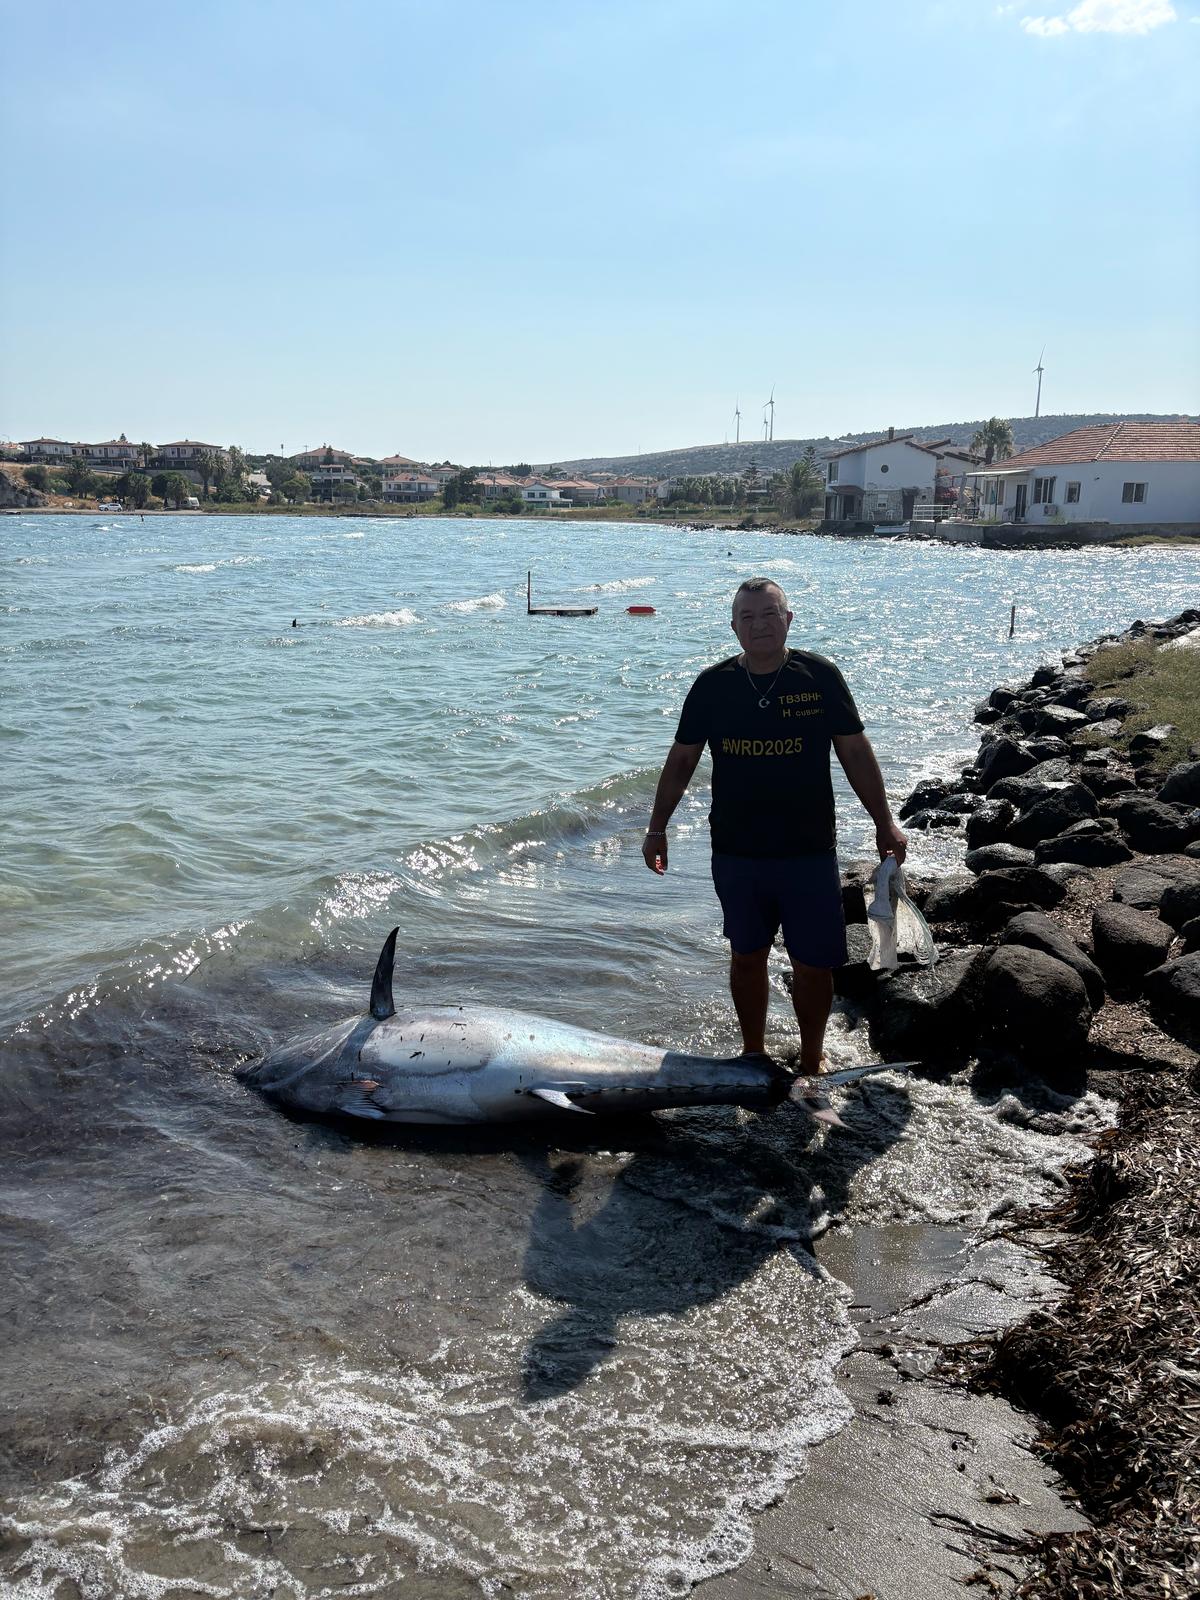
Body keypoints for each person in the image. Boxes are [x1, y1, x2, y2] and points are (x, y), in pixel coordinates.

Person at [642, 577, 906, 1074]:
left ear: (788, 620)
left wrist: (884, 823)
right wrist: (657, 829)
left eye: (769, 614)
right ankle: (753, 1054)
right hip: (737, 851)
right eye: (748, 617)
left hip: (808, 849)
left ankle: (812, 1059)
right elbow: (681, 761)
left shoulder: (819, 676)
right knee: (747, 955)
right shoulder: (712, 685)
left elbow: (854, 751)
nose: (759, 625)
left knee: (814, 963)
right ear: (733, 627)